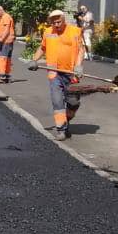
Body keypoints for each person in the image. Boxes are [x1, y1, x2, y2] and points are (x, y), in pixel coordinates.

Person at [29, 9, 85, 140]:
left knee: (73, 102)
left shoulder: (75, 31)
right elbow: (42, 48)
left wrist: (78, 66)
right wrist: (34, 60)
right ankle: (61, 129)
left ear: (64, 20)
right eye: (54, 22)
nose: (56, 24)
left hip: (71, 73)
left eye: (59, 22)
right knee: (57, 101)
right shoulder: (48, 32)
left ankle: (66, 120)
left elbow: (81, 50)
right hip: (54, 73)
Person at [0, 4, 16, 83]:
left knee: (2, 58)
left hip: (6, 41)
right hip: (8, 41)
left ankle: (1, 77)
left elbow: (6, 30)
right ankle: (6, 76)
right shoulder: (5, 17)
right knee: (7, 58)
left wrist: (0, 40)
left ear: (0, 10)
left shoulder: (6, 17)